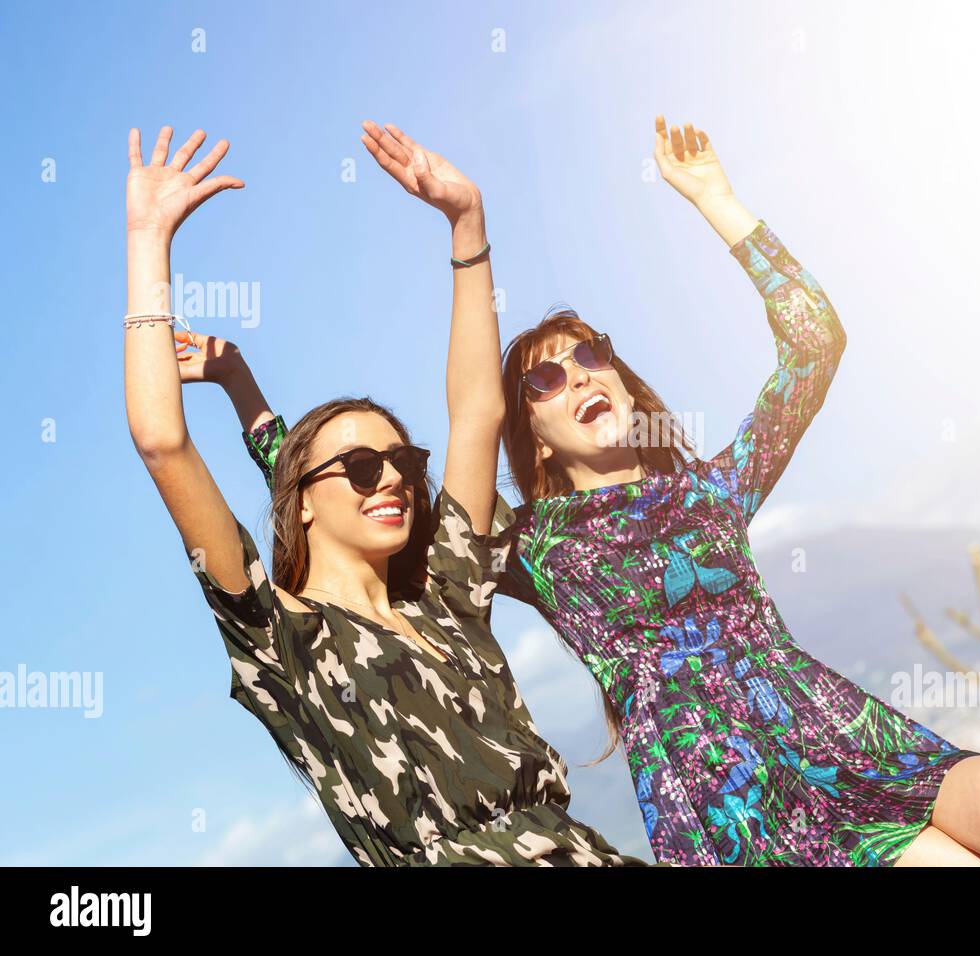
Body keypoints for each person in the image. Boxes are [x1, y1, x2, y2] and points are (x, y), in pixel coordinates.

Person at [487, 115, 980, 867]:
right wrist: (466, 247)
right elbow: (417, 528)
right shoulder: (537, 546)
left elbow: (813, 345)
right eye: (545, 378)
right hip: (732, 813)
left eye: (591, 354)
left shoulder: (711, 492)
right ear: (533, 433)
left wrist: (717, 199)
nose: (577, 374)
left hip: (838, 746)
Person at [124, 122, 653, 866]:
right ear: (299, 498)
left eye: (402, 460)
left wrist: (466, 219)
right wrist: (149, 240)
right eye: (363, 467)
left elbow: (477, 413)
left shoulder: (448, 599)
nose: (394, 479)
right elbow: (162, 443)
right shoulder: (277, 636)